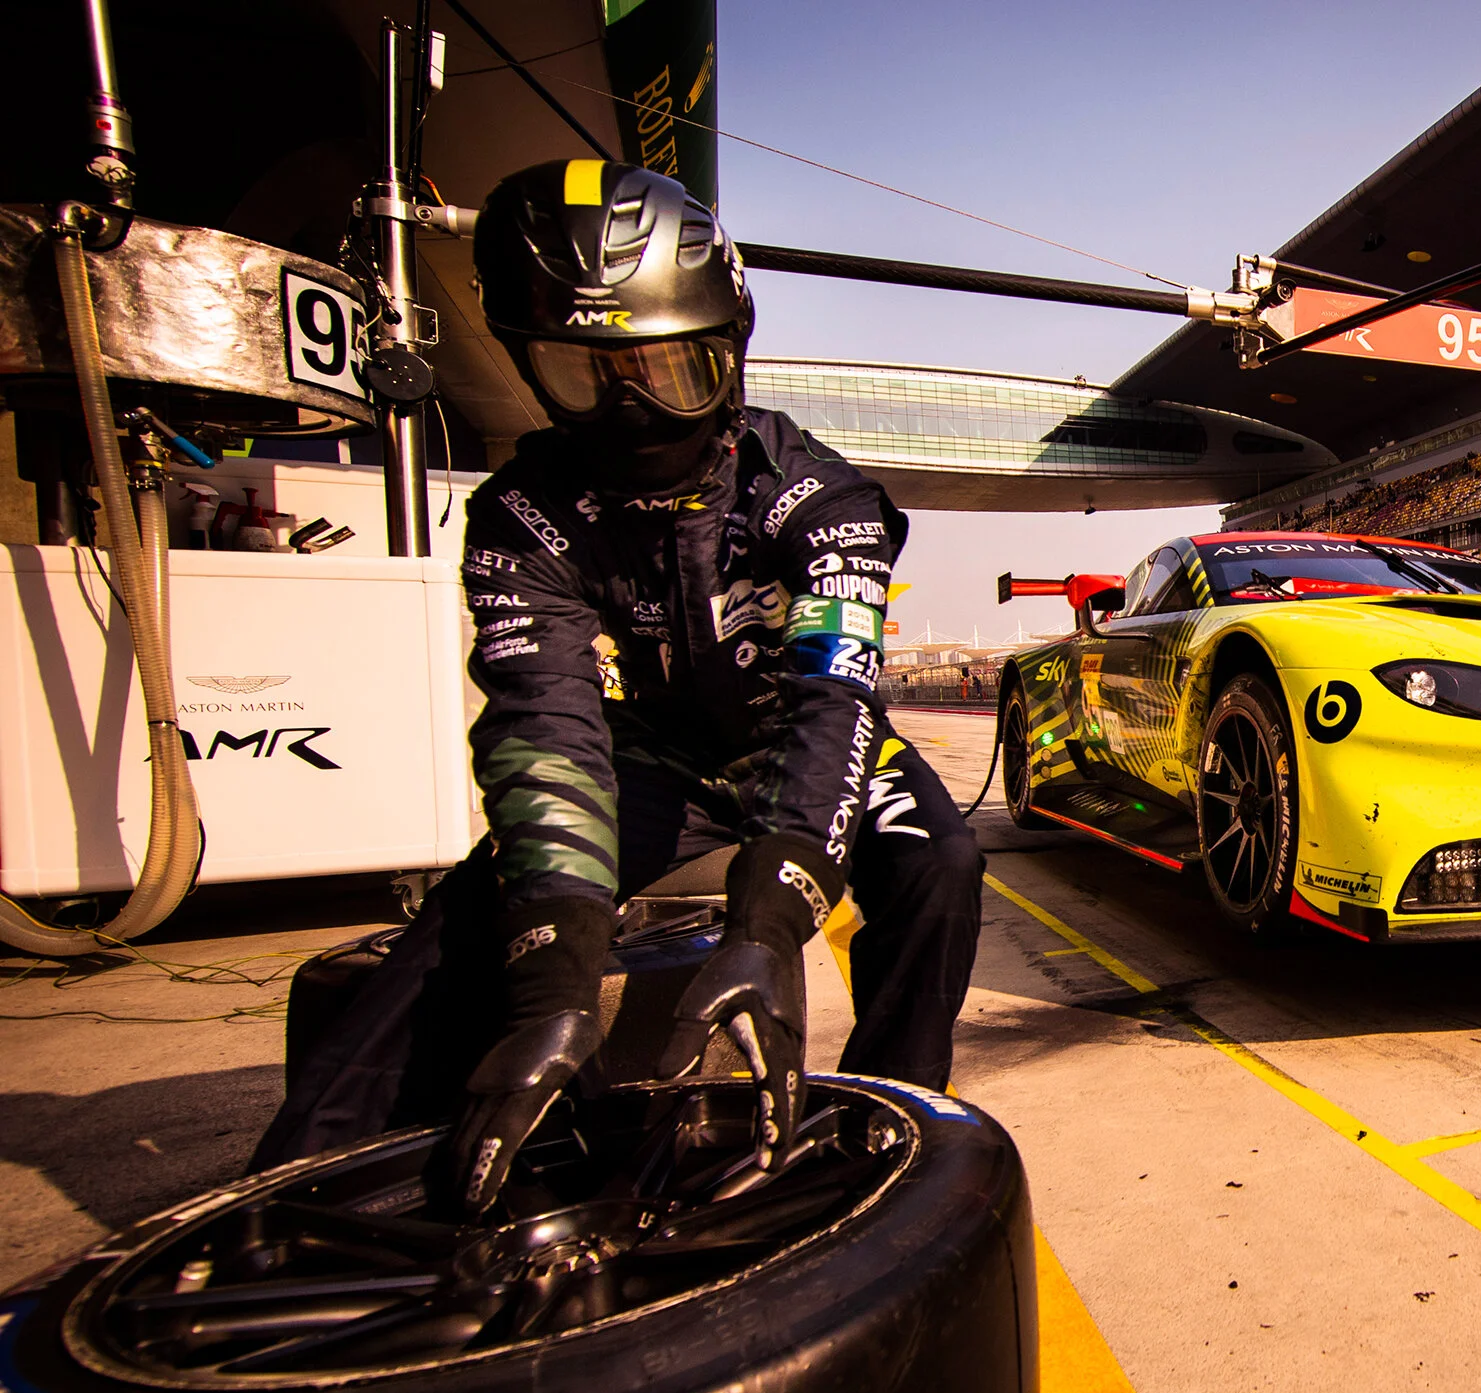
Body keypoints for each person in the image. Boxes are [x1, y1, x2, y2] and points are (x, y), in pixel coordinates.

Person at [255, 161, 983, 1212]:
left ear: (727, 354)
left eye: (673, 371)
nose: (632, 407)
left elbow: (836, 698)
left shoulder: (825, 501)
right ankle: (287, 1194)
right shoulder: (522, 517)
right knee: (477, 911)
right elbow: (544, 732)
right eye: (583, 371)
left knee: (941, 862)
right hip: (657, 755)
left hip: (797, 740)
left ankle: (885, 1124)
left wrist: (770, 927)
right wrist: (553, 988)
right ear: (527, 364)